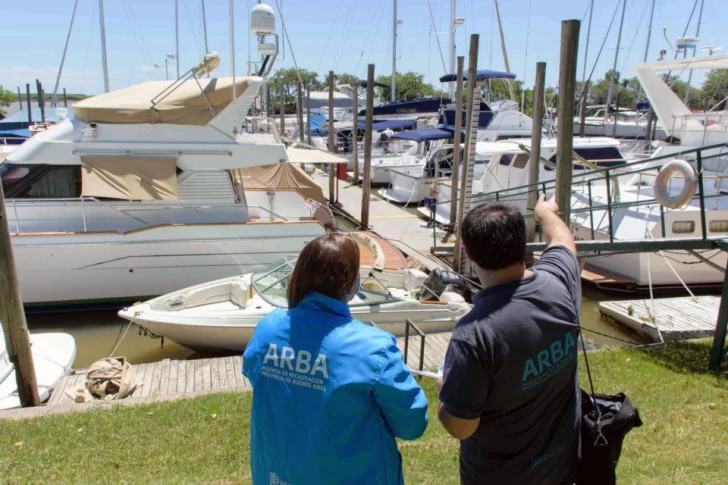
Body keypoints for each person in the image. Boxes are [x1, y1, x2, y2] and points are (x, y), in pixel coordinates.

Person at [243, 233, 428, 485]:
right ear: (352, 284)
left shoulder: (268, 329)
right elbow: (413, 424)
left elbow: (258, 377)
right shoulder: (374, 347)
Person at [438, 194, 581, 485]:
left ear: (468, 253)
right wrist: (545, 213)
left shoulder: (474, 335)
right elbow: (564, 239)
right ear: (523, 244)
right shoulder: (559, 282)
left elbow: (460, 426)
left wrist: (445, 389)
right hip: (562, 465)